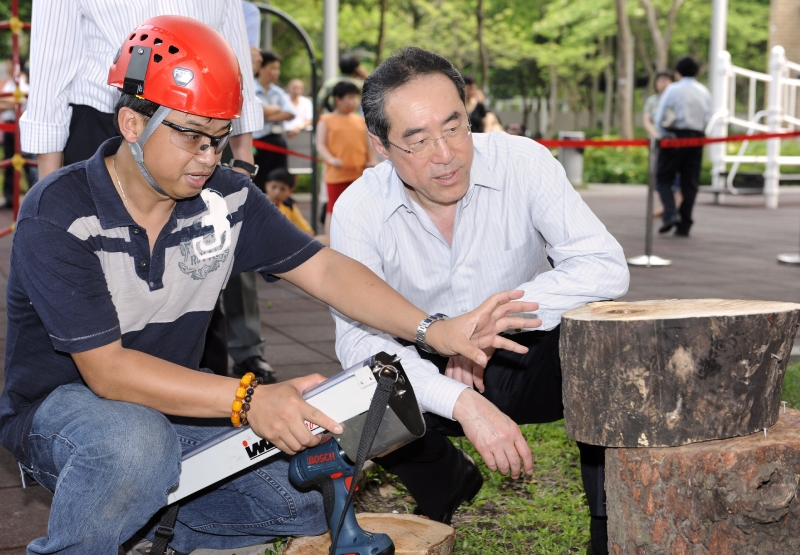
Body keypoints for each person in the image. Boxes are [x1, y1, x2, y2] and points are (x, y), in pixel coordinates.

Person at [0, 19, 538, 554]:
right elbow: (108, 373)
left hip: (169, 409)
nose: (210, 158)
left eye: (219, 138)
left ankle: (140, 520)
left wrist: (431, 329)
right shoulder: (60, 213)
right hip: (66, 411)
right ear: (132, 123)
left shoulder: (223, 197)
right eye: (191, 135)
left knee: (302, 500)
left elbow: (324, 269)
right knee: (133, 447)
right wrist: (248, 398)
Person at [330, 47, 630, 555]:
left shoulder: (523, 161)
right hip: (426, 364)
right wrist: (460, 395)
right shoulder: (359, 208)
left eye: (454, 128)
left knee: (613, 357)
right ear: (381, 146)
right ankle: (441, 477)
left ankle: (608, 528)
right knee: (353, 396)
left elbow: (605, 266)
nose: (445, 154)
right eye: (418, 141)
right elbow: (358, 338)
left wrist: (490, 321)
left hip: (525, 349)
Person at [20, 0, 261, 181]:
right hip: (105, 124)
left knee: (193, 243)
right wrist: (48, 184)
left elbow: (232, 49)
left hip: (202, 125)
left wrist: (243, 157)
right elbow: (51, 64)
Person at [654, 55, 712, 237]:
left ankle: (670, 213)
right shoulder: (704, 91)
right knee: (690, 182)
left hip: (674, 137)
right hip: (696, 138)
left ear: (677, 71)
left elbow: (660, 115)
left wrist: (662, 134)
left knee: (663, 176)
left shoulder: (673, 90)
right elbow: (708, 117)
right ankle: (685, 223)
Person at [317, 81, 377, 235]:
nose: (354, 102)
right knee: (333, 208)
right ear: (338, 99)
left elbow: (367, 145)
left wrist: (372, 161)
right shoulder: (326, 120)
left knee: (360, 209)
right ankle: (331, 243)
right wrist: (331, 159)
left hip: (359, 174)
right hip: (336, 175)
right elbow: (320, 145)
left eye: (355, 98)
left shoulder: (360, 120)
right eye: (349, 97)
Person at [252, 51, 295, 193]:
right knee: (259, 181)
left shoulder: (278, 92)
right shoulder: (249, 89)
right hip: (258, 144)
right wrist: (277, 109)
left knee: (280, 179)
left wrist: (265, 115)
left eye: (278, 68)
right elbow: (253, 110)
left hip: (277, 142)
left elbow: (289, 113)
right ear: (261, 68)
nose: (276, 72)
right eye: (273, 68)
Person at [643, 70, 680, 218]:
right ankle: (664, 206)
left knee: (675, 176)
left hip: (675, 143)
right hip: (658, 143)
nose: (662, 84)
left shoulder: (676, 100)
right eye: (660, 81)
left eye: (666, 81)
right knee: (659, 175)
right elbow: (647, 121)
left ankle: (674, 206)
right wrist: (657, 136)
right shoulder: (652, 101)